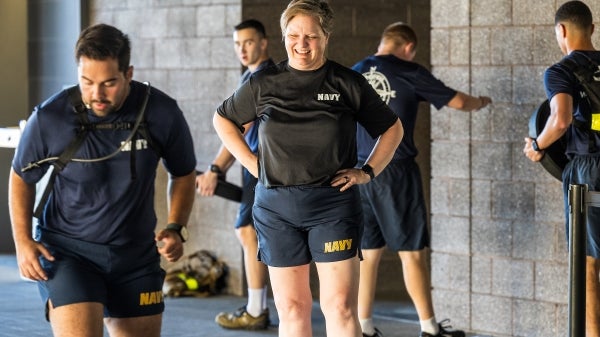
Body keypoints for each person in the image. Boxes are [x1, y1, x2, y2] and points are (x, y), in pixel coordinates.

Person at [213, 1, 403, 336]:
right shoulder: (263, 83)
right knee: (292, 308)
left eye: (311, 36)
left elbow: (392, 128)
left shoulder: (347, 82)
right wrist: (253, 164)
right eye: (293, 35)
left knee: (341, 306)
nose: (302, 44)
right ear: (284, 36)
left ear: (326, 36)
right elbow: (223, 119)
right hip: (276, 210)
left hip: (332, 206)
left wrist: (367, 171)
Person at [9, 23, 196, 337]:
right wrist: (23, 241)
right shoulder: (51, 118)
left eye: (109, 83)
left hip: (135, 255)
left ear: (128, 74)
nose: (96, 94)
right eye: (86, 82)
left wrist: (177, 226)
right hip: (69, 252)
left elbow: (184, 173)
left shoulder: (161, 112)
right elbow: (20, 177)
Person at [352, 22, 492, 337]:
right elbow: (458, 101)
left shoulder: (355, 71)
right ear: (409, 48)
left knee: (369, 252)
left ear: (382, 43)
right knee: (412, 252)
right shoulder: (410, 71)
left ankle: (363, 327)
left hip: (359, 173)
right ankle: (429, 328)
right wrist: (482, 101)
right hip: (394, 170)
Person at [524, 1, 600, 336]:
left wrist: (538, 146)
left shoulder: (560, 71)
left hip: (587, 170)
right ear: (593, 29)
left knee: (587, 262)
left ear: (561, 31)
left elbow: (561, 119)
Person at [196, 18, 275, 330]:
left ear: (264, 43)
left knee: (248, 232)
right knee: (250, 233)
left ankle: (257, 310)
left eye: (249, 42)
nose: (242, 49)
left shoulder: (260, 78)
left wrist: (216, 170)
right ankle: (259, 306)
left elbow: (239, 129)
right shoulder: (250, 75)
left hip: (259, 167)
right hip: (254, 167)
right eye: (237, 44)